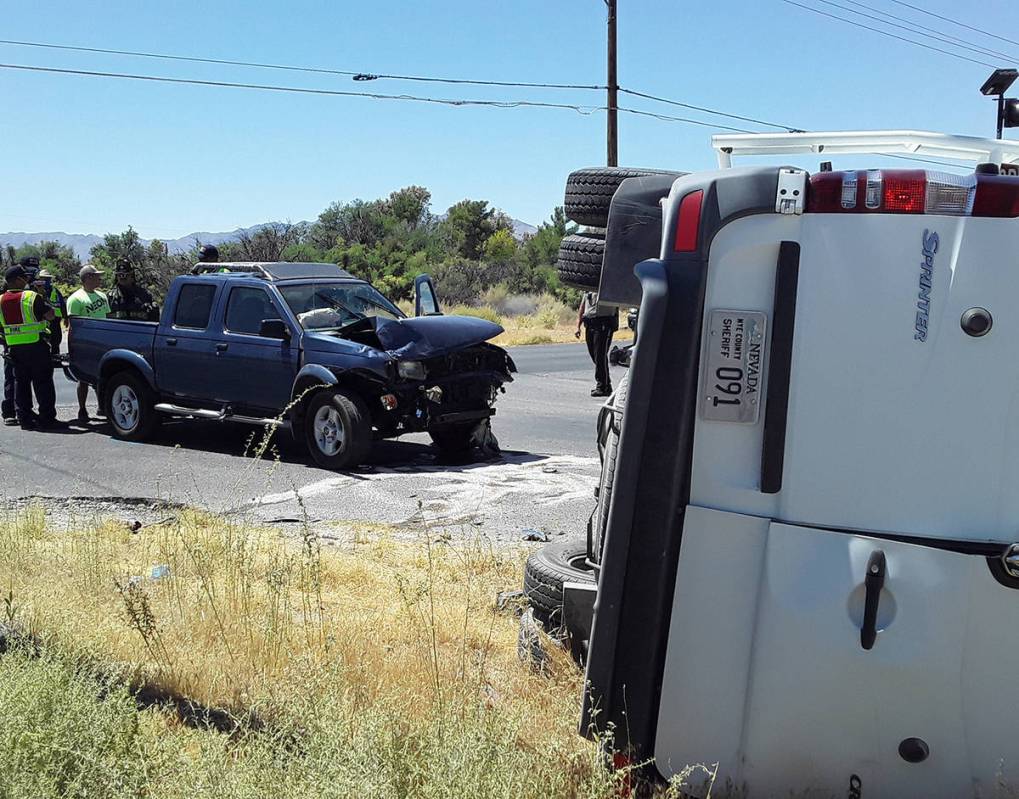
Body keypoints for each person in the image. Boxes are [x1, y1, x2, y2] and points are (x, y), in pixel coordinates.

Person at [0, 265, 58, 429]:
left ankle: (24, 418)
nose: (27, 280)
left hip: (15, 349)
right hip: (36, 346)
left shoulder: (1, 300)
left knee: (21, 383)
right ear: (18, 280)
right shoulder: (31, 297)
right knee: (43, 383)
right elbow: (50, 315)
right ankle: (47, 418)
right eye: (24, 277)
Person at [66, 264, 111, 423]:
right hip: (84, 343)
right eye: (96, 276)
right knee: (83, 377)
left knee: (102, 376)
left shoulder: (102, 296)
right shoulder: (76, 299)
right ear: (88, 278)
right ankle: (82, 409)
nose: (100, 278)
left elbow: (108, 317)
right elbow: (73, 324)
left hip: (103, 341)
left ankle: (102, 407)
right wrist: (72, 345)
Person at [575, 291, 619, 398]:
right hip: (590, 325)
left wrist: (614, 325)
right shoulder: (588, 290)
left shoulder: (608, 288)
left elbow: (616, 308)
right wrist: (578, 326)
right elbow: (582, 308)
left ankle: (602, 386)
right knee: (595, 356)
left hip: (603, 325)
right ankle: (606, 385)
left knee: (600, 356)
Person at [32, 269, 66, 357]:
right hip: (42, 320)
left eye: (48, 279)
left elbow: (62, 304)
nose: (46, 281)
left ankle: (55, 356)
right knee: (43, 340)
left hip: (55, 319)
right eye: (43, 279)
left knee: (56, 339)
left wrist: (66, 317)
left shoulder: (55, 291)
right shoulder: (34, 292)